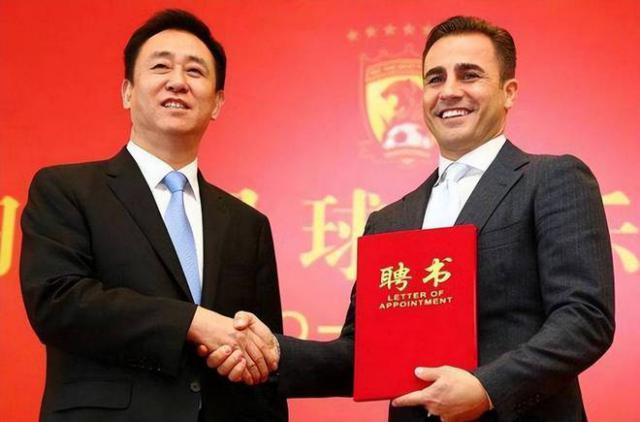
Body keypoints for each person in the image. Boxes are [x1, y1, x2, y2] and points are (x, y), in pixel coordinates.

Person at [209, 15, 615, 422]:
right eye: (435, 79)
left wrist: (487, 388)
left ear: (508, 92)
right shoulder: (389, 221)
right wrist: (277, 352)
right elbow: (363, 354)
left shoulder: (552, 178)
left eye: (469, 75)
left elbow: (584, 318)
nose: (449, 91)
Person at [20, 9, 286, 422]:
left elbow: (261, 357)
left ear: (217, 102)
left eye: (195, 71)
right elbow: (58, 303)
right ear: (127, 92)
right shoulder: (66, 189)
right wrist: (191, 322)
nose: (177, 81)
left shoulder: (247, 225)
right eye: (161, 66)